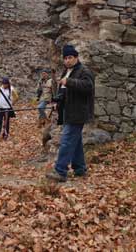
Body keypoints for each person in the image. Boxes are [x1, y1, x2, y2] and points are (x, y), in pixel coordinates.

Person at [46, 44, 94, 182]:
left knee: (66, 141)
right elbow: (64, 93)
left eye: (70, 58)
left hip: (78, 112)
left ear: (76, 58)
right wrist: (56, 102)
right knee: (76, 141)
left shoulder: (84, 71)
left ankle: (60, 171)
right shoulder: (66, 72)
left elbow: (88, 87)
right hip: (67, 112)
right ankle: (80, 169)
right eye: (65, 58)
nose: (67, 60)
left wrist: (70, 82)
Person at [0, 77, 18, 142]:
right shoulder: (0, 88)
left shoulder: (11, 89)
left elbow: (17, 97)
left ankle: (5, 134)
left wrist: (12, 104)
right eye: (3, 84)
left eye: (5, 84)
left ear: (8, 84)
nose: (4, 85)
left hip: (7, 108)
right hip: (0, 107)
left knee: (6, 122)